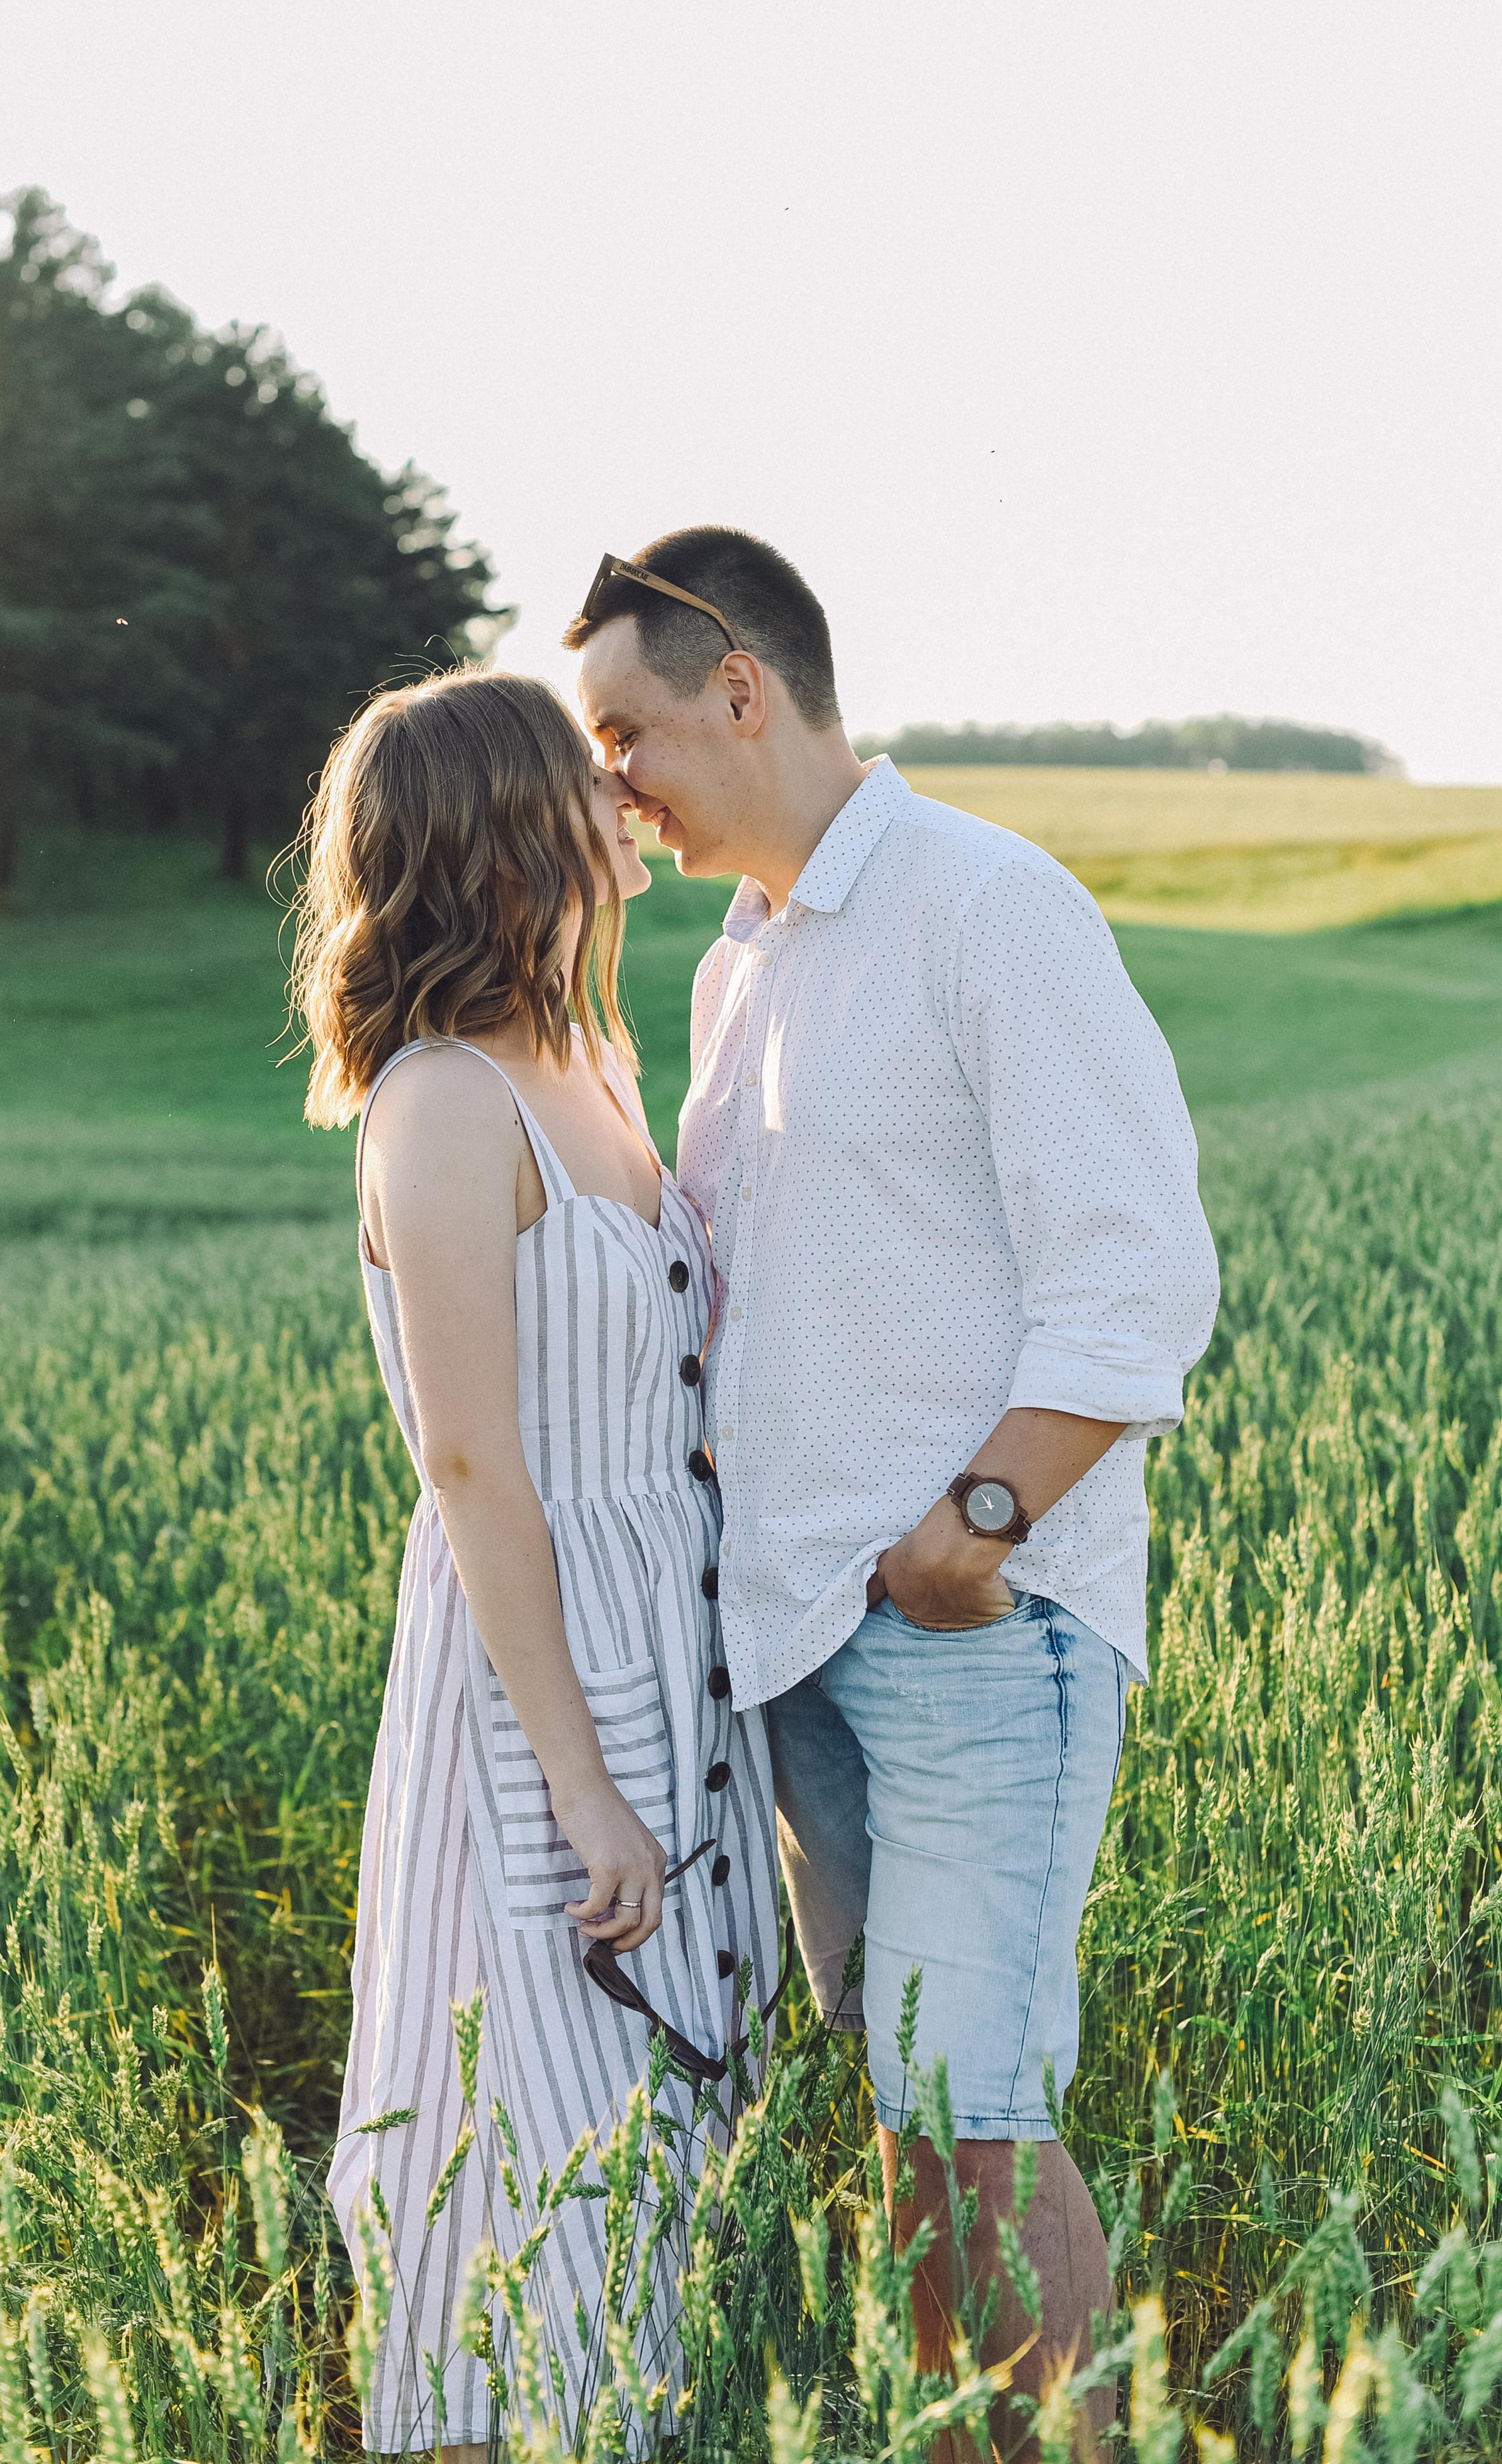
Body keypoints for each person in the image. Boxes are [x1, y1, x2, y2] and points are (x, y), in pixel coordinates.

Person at [567, 534, 1220, 2427]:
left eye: (627, 733)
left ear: (742, 689)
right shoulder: (740, 964)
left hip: (970, 1637)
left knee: (974, 2113)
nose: (613, 781)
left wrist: (973, 1534)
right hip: (793, 1645)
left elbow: (1139, 1266)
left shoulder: (985, 902)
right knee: (913, 2110)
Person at [295, 670, 779, 2459]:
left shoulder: (594, 1058)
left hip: (677, 1649)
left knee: (661, 2176)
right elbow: (473, 1467)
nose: (625, 794)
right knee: (529, 2161)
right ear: (505, 829)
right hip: (540, 1673)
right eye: (588, 776)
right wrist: (581, 1785)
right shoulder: (440, 1103)